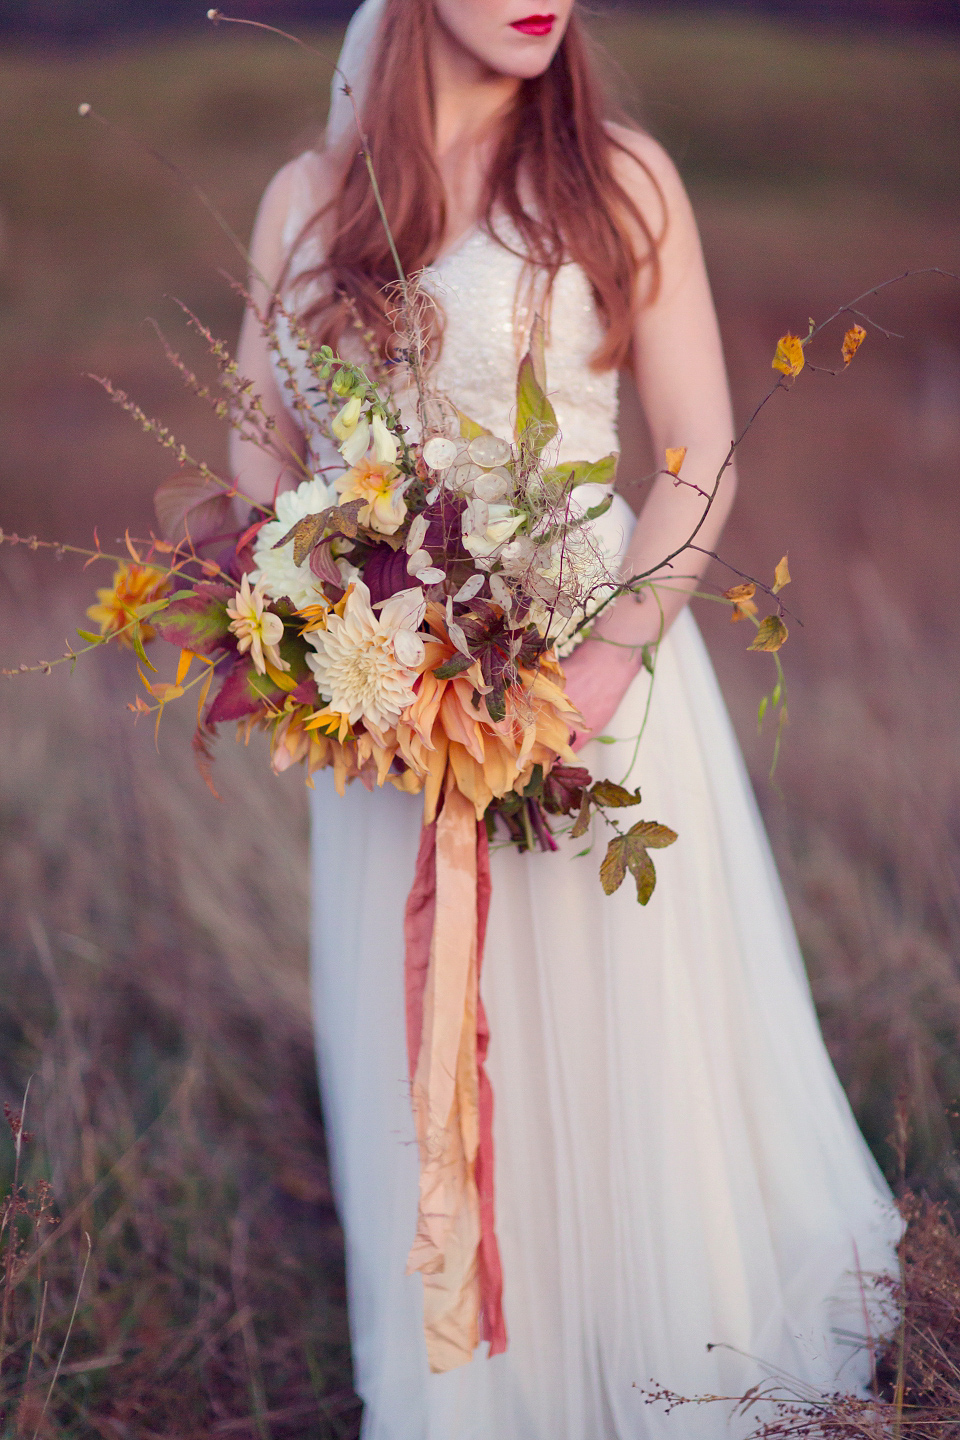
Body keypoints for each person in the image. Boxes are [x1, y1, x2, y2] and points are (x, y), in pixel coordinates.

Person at [230, 3, 900, 1436]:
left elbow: (701, 452)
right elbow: (255, 450)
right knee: (442, 1078)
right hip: (386, 722)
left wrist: (603, 665)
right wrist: (316, 624)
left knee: (614, 1061)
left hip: (592, 688)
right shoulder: (308, 197)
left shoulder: (617, 175)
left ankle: (665, 1382)